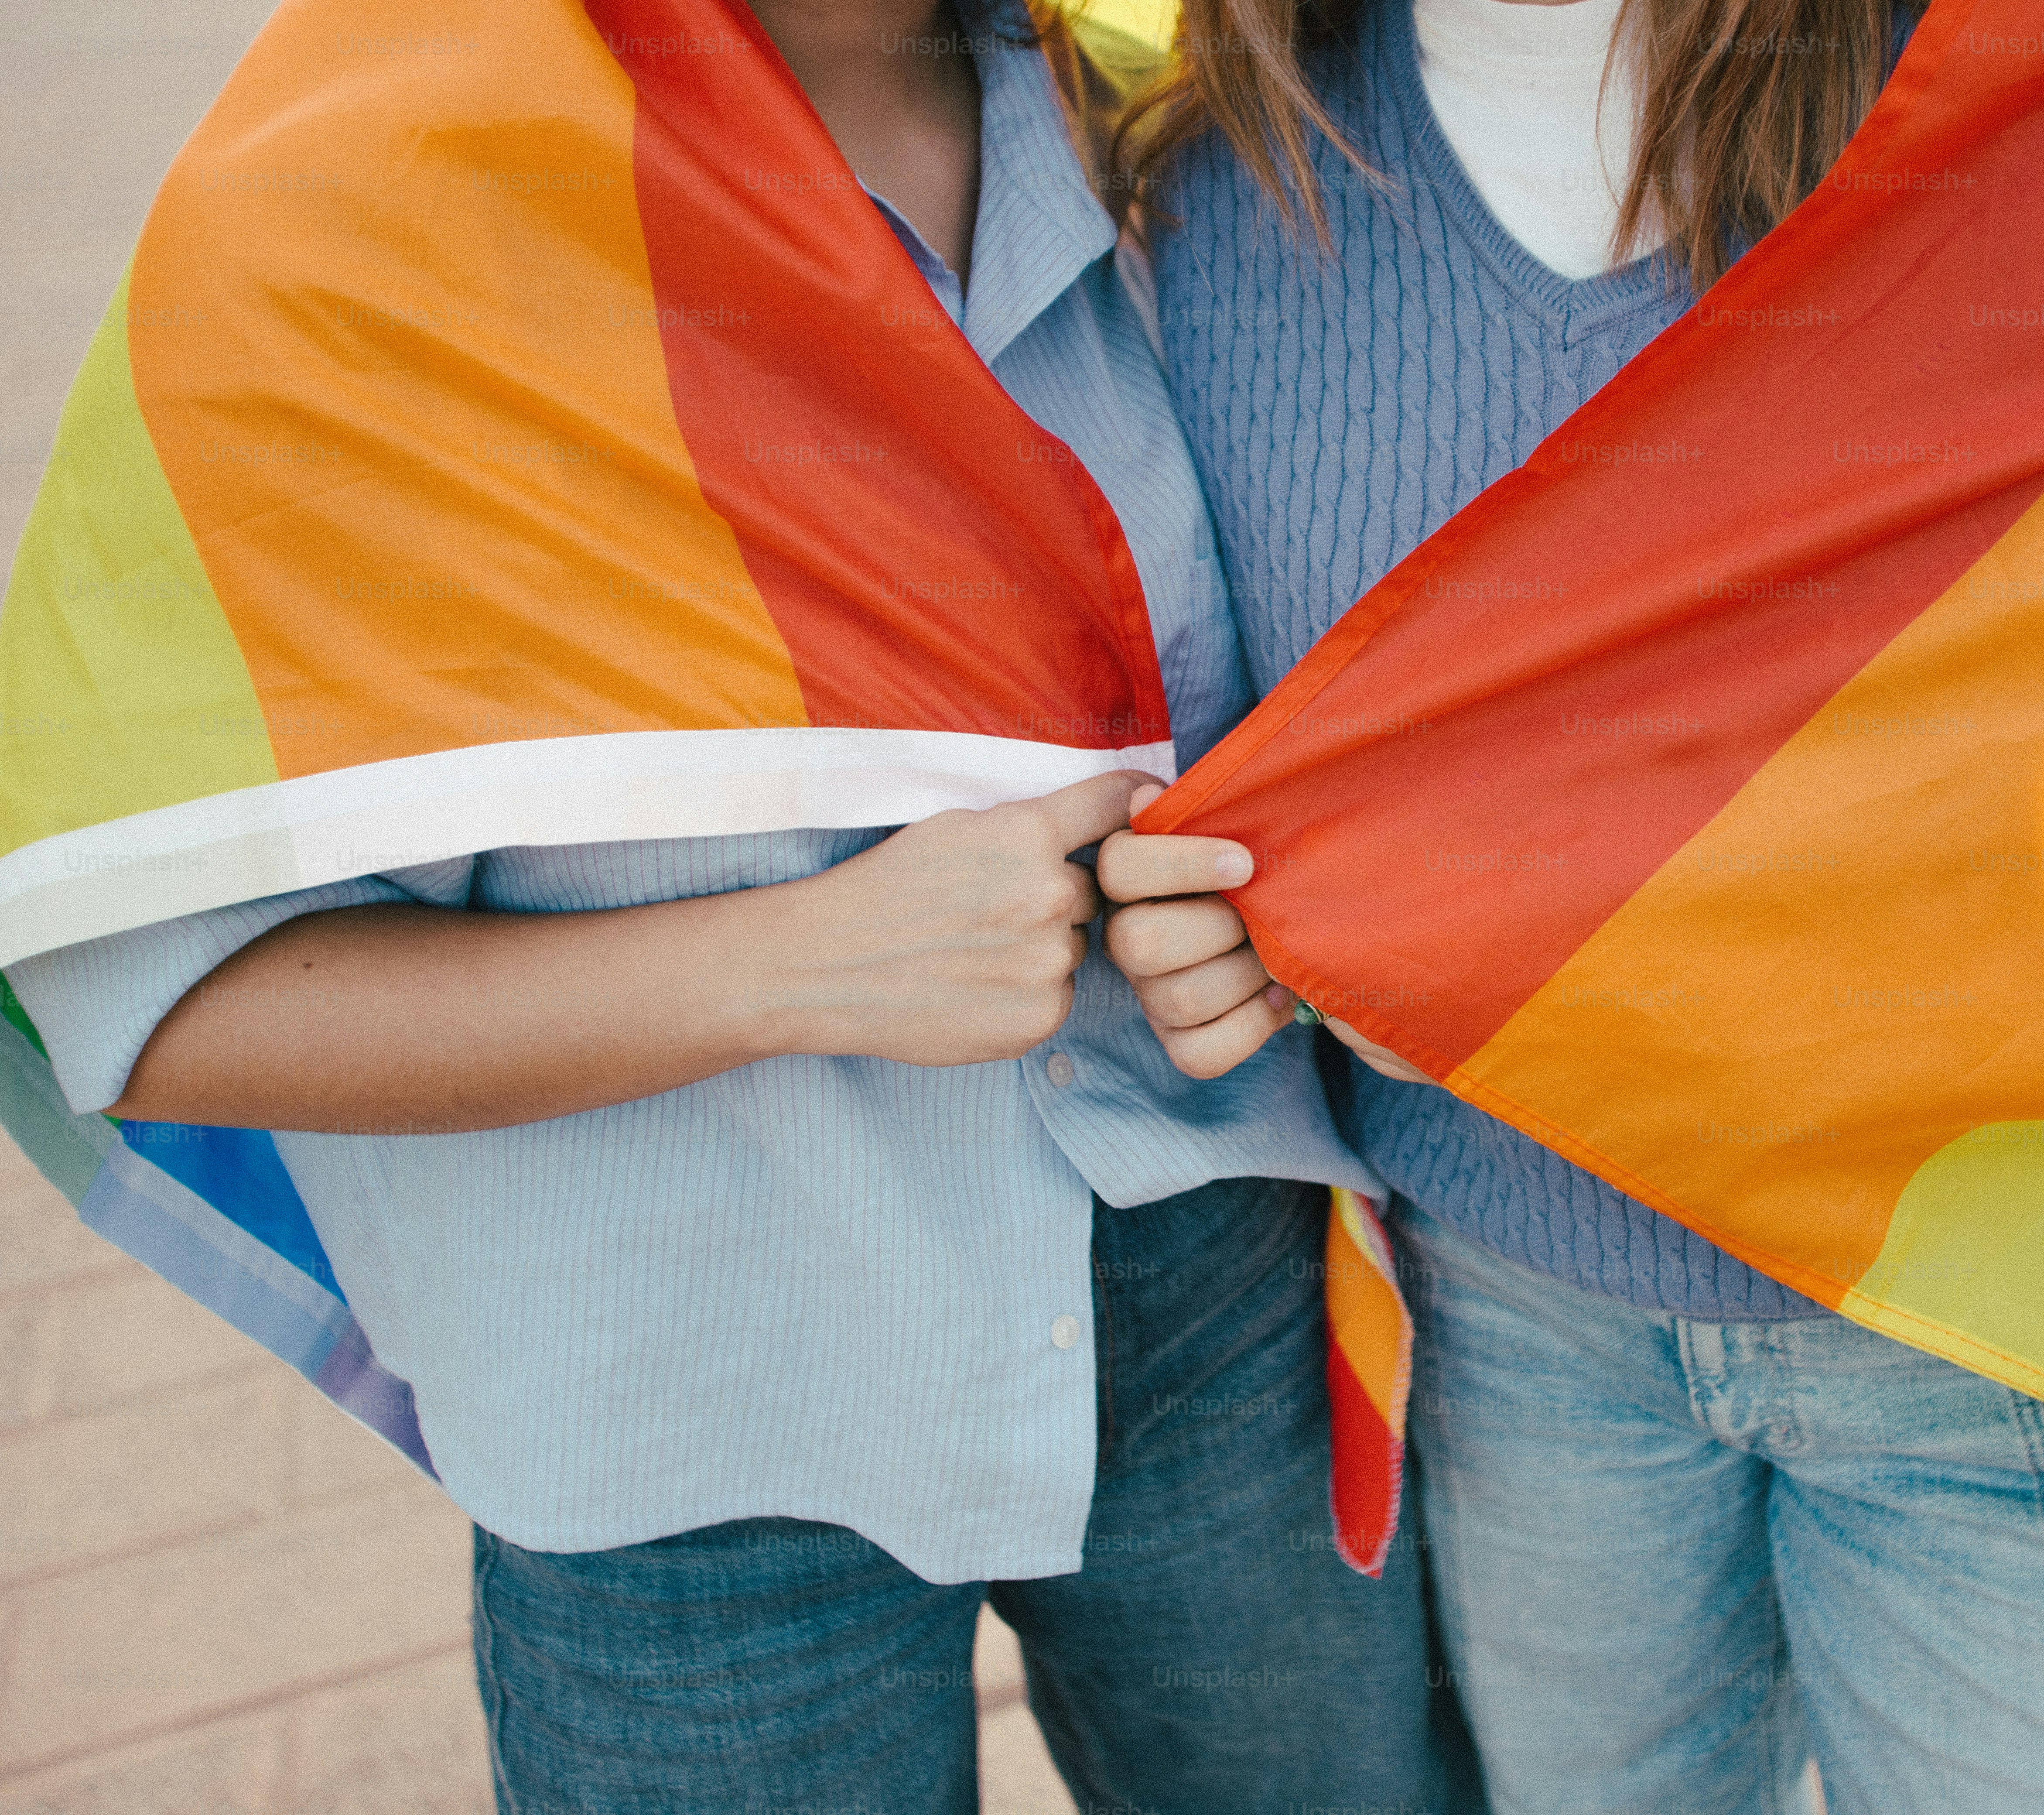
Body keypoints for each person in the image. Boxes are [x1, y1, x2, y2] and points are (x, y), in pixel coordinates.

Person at [0, 0, 1473, 1808]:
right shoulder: (351, 212)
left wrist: (1270, 915)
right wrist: (792, 964)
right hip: (695, 1419)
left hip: (1207, 1285)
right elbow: (162, 999)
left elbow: (1313, 706)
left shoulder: (1174, 121)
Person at [1106, 0, 2044, 1806]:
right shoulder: (1197, 180)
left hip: (1964, 1308)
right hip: (1513, 1308)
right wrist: (1190, 907)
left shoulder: (2016, 101)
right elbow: (1226, 749)